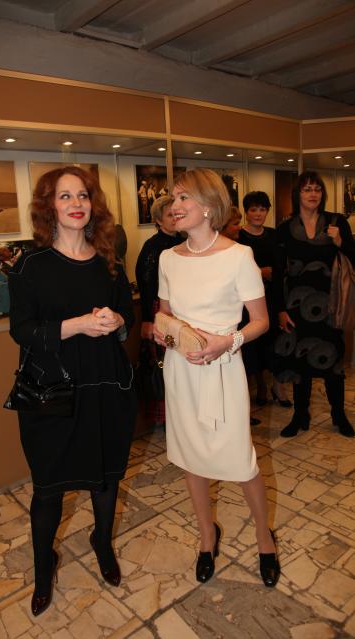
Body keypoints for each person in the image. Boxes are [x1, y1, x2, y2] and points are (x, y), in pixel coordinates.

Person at [8, 166, 137, 617]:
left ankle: (102, 542)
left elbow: (127, 316)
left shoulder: (109, 261)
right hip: (52, 392)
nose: (76, 204)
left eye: (82, 195)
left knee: (105, 477)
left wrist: (118, 321)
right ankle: (44, 566)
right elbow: (21, 330)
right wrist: (77, 325)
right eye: (64, 196)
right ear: (49, 207)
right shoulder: (30, 266)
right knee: (48, 489)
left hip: (106, 384)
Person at [153, 168, 280, 588]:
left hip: (223, 371)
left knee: (241, 461)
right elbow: (165, 315)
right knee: (191, 458)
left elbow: (260, 321)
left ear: (208, 206)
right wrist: (164, 332)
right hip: (181, 372)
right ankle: (207, 536)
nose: (174, 206)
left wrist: (228, 341)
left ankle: (264, 537)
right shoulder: (168, 258)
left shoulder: (239, 256)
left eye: (183, 197)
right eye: (173, 198)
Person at [272, 170, 355, 438]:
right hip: (297, 307)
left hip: (330, 306)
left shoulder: (337, 222)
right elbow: (278, 273)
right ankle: (300, 415)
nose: (313, 194)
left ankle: (338, 414)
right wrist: (280, 309)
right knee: (301, 363)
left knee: (333, 364)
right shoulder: (284, 229)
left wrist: (340, 241)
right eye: (307, 189)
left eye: (317, 189)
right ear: (297, 194)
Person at [239, 191, 291, 407]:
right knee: (254, 346)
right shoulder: (238, 237)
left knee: (277, 342)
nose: (258, 214)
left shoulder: (274, 235)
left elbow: (281, 268)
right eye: (253, 209)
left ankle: (277, 386)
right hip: (247, 302)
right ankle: (260, 385)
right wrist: (259, 273)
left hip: (273, 297)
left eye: (262, 209)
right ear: (246, 212)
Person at [135, 195, 183, 427]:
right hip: (160, 310)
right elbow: (146, 284)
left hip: (183, 310)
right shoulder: (152, 246)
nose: (174, 218)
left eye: (176, 213)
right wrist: (147, 318)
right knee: (163, 363)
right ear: (158, 220)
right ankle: (165, 418)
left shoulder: (185, 240)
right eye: (169, 215)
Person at [222, 206, 262, 427]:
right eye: (235, 224)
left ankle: (240, 414)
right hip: (233, 321)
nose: (239, 228)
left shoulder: (241, 252)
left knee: (246, 366)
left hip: (246, 319)